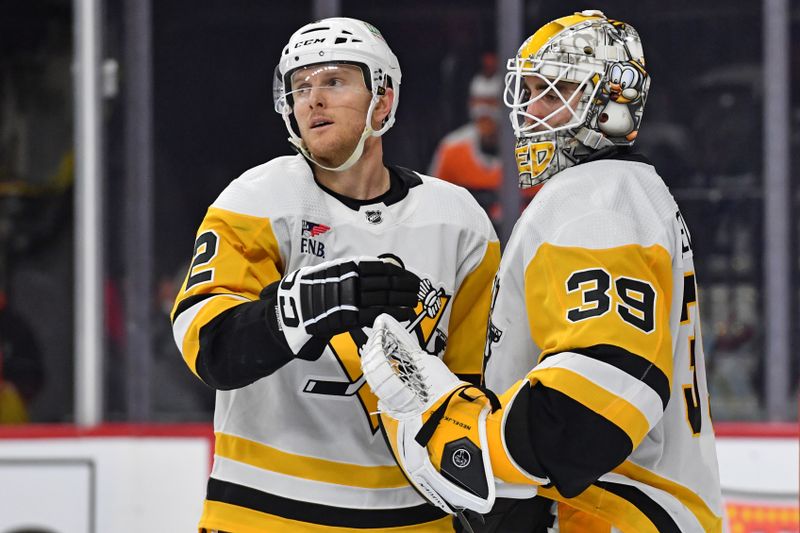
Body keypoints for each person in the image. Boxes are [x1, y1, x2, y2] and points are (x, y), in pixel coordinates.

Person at [362, 11, 723, 533]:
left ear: (612, 106)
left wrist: (465, 439)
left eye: (553, 94)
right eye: (528, 92)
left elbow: (600, 399)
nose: (531, 112)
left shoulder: (596, 202)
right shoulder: (629, 192)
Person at [170, 17, 499, 533]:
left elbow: (481, 386)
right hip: (264, 512)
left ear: (383, 100)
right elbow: (208, 348)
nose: (313, 99)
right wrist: (308, 304)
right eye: (300, 87)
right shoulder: (258, 201)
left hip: (414, 519)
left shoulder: (458, 221)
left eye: (334, 81)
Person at [429, 53, 538, 230]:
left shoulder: (533, 149)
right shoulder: (452, 149)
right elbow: (434, 207)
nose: (483, 111)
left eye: (491, 102)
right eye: (477, 101)